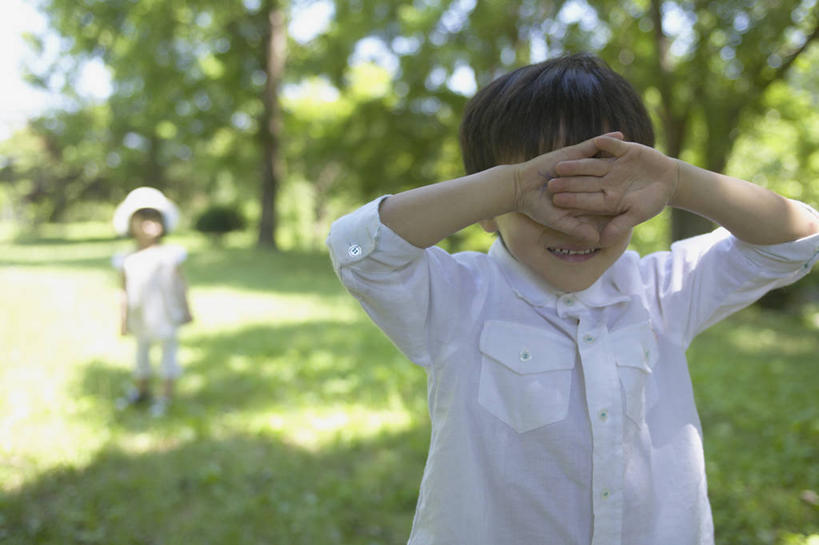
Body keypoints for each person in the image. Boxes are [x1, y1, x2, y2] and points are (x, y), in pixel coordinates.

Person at [325, 53, 819, 545]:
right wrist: (511, 185)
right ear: (490, 208)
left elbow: (796, 240)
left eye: (603, 199)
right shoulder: (459, 298)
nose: (577, 226)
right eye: (548, 198)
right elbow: (356, 251)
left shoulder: (661, 291)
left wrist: (677, 181)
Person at [112, 187, 193, 417]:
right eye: (143, 218)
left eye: (154, 217)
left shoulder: (171, 254)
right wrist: (122, 319)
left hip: (166, 314)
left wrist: (187, 309)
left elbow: (180, 283)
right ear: (131, 223)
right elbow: (123, 290)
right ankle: (141, 392)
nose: (149, 223)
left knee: (168, 355)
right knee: (141, 356)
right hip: (140, 315)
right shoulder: (126, 258)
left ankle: (165, 397)